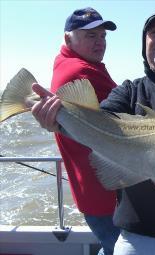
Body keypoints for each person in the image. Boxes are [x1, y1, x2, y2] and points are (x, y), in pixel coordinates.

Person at [30, 9, 155, 255]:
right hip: (137, 237)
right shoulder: (126, 91)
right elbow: (98, 126)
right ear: (145, 44)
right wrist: (59, 123)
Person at [38, 7, 120, 255]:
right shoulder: (81, 72)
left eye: (102, 36)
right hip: (104, 192)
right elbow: (124, 120)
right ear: (68, 38)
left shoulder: (69, 63)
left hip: (92, 192)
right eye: (90, 36)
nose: (100, 42)